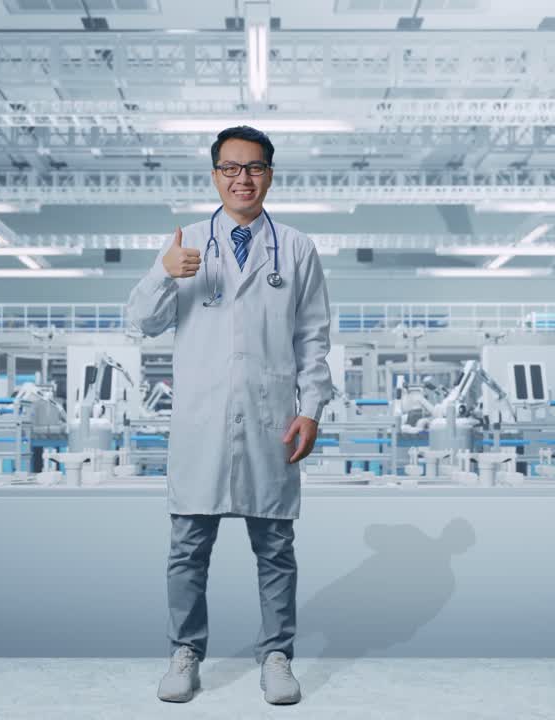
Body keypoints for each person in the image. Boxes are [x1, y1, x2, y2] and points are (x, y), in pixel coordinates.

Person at [125, 125, 333, 705]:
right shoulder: (186, 241)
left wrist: (311, 408)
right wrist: (166, 272)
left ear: (270, 174)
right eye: (231, 168)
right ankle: (185, 652)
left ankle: (275, 656)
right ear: (215, 174)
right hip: (202, 422)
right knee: (188, 546)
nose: (243, 178)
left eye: (255, 168)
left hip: (271, 419)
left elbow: (313, 338)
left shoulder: (295, 248)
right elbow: (139, 323)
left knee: (275, 548)